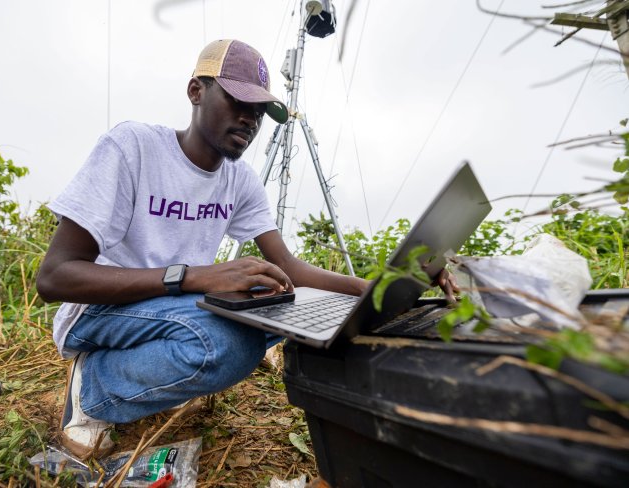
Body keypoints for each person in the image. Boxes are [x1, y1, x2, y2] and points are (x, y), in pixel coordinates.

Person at [36, 39, 454, 459]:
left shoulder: (241, 180)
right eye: (238, 100)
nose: (249, 119)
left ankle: (157, 372)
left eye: (259, 111)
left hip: (175, 304)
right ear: (196, 91)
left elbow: (288, 265)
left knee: (301, 306)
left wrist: (377, 291)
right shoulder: (133, 148)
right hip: (98, 313)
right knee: (229, 345)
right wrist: (192, 275)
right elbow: (55, 277)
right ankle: (93, 388)